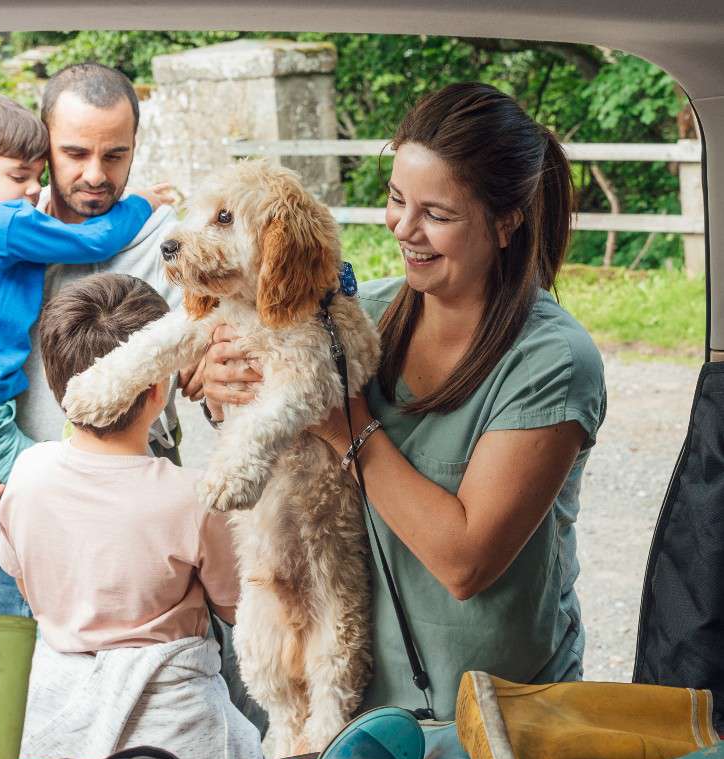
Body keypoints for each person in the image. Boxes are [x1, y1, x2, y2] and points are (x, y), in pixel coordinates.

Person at [200, 82, 606, 720]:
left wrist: (342, 420)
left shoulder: (552, 363)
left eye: (437, 215)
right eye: (395, 200)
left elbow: (464, 561)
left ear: (506, 222)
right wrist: (227, 389)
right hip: (361, 705)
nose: (404, 229)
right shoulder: (366, 313)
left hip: (498, 715)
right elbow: (275, 443)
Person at [0, 66, 186, 619]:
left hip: (114, 552)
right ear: (43, 143)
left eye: (114, 156)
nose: (95, 175)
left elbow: (191, 374)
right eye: (75, 153)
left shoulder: (173, 246)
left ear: (135, 146)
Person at [0, 273, 263, 759]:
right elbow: (237, 609)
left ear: (58, 387)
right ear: (158, 385)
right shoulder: (195, 496)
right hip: (174, 720)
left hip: (58, 695)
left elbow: (24, 582)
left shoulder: (27, 472)